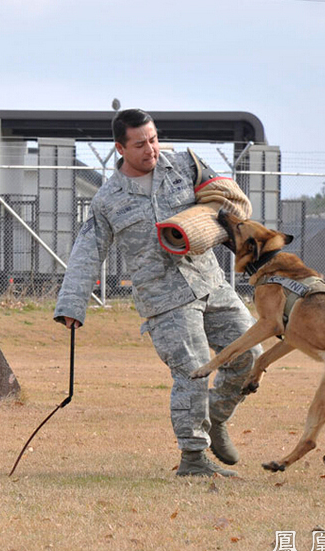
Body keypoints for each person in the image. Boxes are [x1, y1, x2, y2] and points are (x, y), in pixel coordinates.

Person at [54, 108, 261, 477]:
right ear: (120, 147)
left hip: (211, 282)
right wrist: (72, 306)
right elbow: (88, 250)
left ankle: (216, 417)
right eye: (140, 144)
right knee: (193, 372)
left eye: (153, 139)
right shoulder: (108, 199)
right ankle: (194, 458)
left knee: (249, 353)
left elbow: (228, 203)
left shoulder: (185, 165)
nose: (151, 149)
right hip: (165, 301)